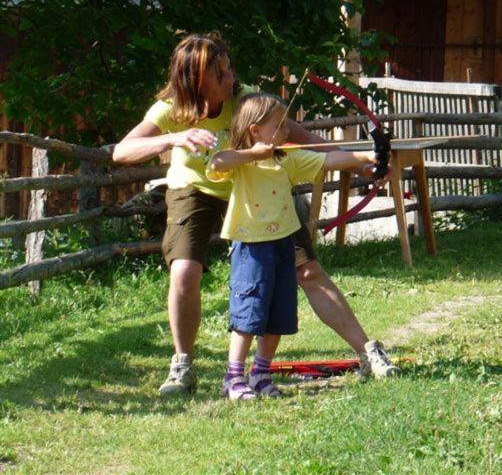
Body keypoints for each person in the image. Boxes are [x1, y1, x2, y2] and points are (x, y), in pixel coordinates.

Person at [112, 32, 399, 395]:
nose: (232, 79)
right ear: (198, 81)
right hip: (196, 187)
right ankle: (183, 365)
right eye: (222, 74)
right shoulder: (170, 108)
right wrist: (172, 139)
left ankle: (368, 352)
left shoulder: (242, 96)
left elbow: (292, 134)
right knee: (184, 270)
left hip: (254, 186)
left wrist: (359, 164)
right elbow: (122, 151)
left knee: (307, 268)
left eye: (229, 70)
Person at [209, 93, 380, 400]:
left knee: (278, 311)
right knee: (249, 311)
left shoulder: (286, 160)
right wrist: (253, 154)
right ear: (255, 131)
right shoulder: (242, 163)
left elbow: (328, 159)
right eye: (279, 126)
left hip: (282, 245)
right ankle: (233, 376)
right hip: (251, 248)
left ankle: (260, 372)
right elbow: (218, 162)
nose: (286, 131)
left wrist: (365, 158)